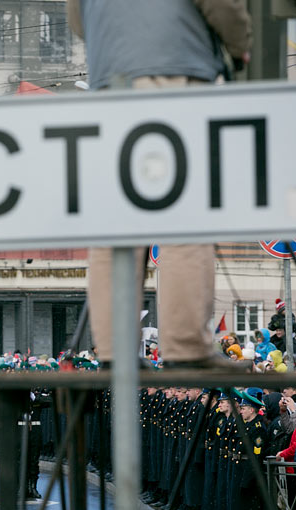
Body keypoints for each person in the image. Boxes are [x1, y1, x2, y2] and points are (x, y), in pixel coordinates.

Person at [68, 0, 252, 369]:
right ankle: (186, 348)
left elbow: (78, 19)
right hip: (174, 69)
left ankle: (114, 352)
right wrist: (240, 45)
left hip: (109, 81)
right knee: (182, 219)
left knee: (116, 226)